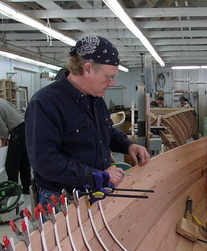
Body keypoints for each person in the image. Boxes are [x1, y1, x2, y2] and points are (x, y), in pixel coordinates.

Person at [25, 35, 150, 206]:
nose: (112, 83)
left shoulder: (96, 99)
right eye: (108, 77)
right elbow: (45, 161)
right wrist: (94, 175)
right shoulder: (45, 103)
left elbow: (106, 132)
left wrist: (128, 145)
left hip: (95, 191)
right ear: (88, 68)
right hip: (63, 199)